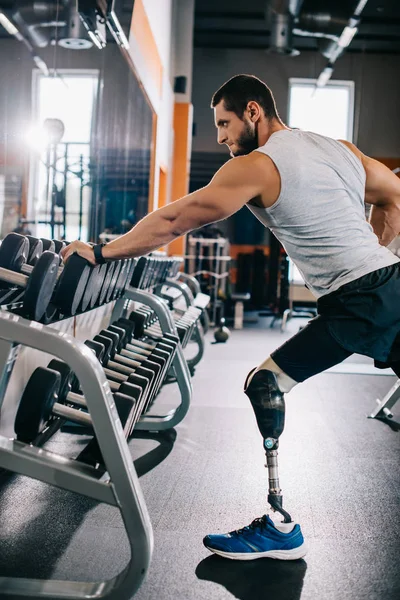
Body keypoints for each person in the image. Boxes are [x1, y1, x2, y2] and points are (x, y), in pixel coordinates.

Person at [61, 74, 400, 561]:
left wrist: (100, 250)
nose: (220, 137)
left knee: (265, 383)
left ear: (254, 113)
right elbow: (394, 196)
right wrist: (376, 258)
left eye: (224, 123)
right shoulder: (339, 149)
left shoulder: (261, 165)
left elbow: (180, 218)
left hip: (359, 298)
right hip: (392, 284)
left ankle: (280, 524)